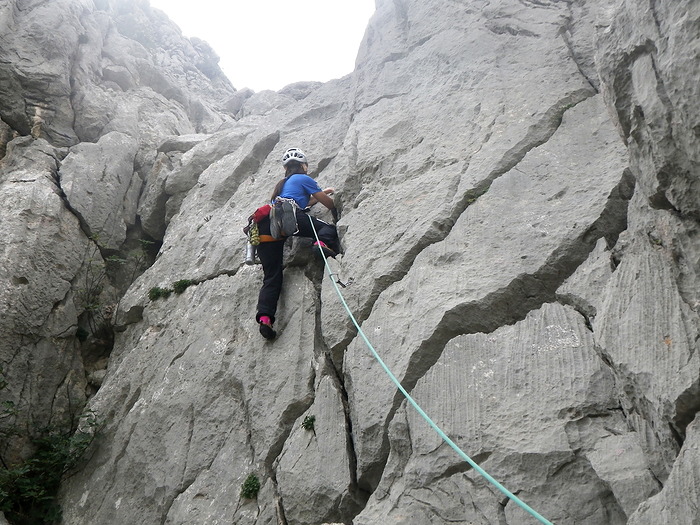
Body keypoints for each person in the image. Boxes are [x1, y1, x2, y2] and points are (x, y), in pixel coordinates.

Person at [254, 147, 339, 339]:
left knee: (272, 276)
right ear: (304, 166)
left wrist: (319, 194)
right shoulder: (303, 178)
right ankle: (321, 244)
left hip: (266, 228)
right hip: (288, 218)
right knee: (327, 228)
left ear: (286, 168)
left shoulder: (281, 185)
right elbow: (327, 203)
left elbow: (302, 201)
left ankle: (265, 319)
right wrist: (332, 199)